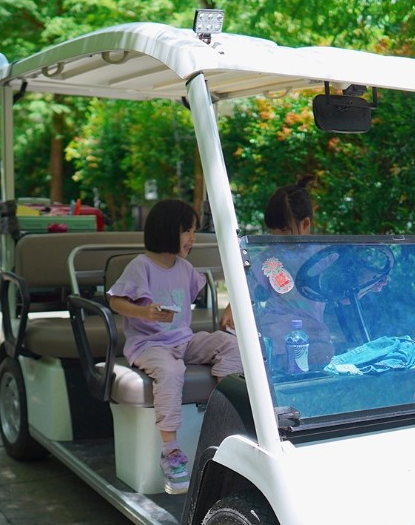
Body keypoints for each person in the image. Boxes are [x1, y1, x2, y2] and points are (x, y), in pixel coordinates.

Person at [107, 200, 242, 495]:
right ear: (168, 231)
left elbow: (197, 294)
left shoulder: (185, 267)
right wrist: (145, 312)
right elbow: (115, 300)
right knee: (171, 371)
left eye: (193, 231)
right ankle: (171, 454)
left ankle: (223, 416)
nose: (193, 238)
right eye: (187, 231)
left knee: (230, 344)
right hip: (149, 345)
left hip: (183, 340)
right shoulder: (141, 266)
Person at [220, 177, 335, 370]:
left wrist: (367, 283)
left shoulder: (325, 255)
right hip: (275, 325)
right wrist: (232, 308)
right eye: (273, 231)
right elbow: (249, 285)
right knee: (281, 358)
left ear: (305, 224)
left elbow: (343, 288)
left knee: (324, 354)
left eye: (283, 230)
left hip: (312, 329)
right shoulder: (271, 257)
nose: (277, 237)